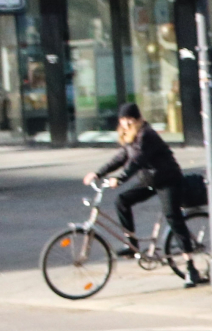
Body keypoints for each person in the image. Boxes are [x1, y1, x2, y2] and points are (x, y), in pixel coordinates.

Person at [85, 103, 201, 284]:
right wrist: (98, 173)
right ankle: (131, 245)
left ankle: (191, 267)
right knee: (122, 201)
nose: (125, 123)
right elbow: (122, 157)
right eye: (122, 120)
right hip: (150, 181)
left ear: (137, 119)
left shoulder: (147, 135)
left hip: (168, 180)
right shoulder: (130, 136)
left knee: (173, 217)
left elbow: (137, 161)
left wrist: (121, 179)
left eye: (129, 119)